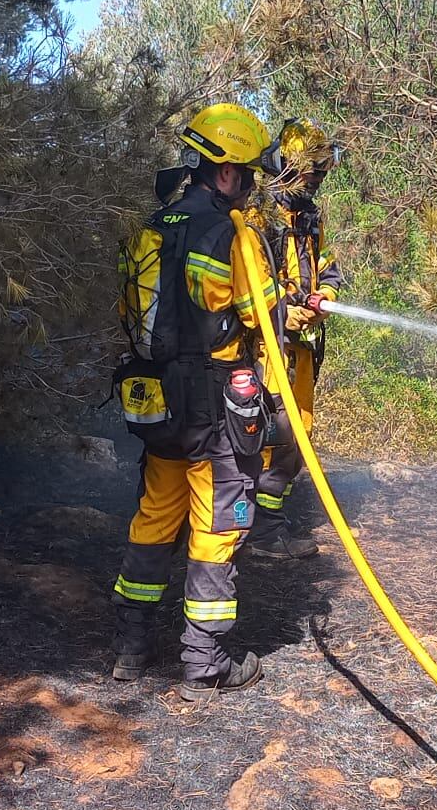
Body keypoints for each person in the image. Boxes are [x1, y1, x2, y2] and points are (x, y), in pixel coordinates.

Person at [110, 103, 282, 697]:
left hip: (159, 403)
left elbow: (132, 315)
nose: (252, 186)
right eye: (251, 174)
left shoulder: (152, 227)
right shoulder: (233, 234)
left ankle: (131, 649)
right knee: (217, 525)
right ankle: (204, 663)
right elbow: (261, 317)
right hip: (215, 409)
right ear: (228, 172)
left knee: (157, 514)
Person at [248, 118, 343, 560]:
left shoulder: (309, 214)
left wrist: (324, 293)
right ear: (288, 164)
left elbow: (326, 264)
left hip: (300, 347)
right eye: (313, 168)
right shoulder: (259, 214)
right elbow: (249, 285)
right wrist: (285, 314)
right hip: (267, 347)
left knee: (297, 435)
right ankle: (255, 536)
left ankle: (266, 531)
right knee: (272, 436)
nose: (319, 177)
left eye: (323, 169)